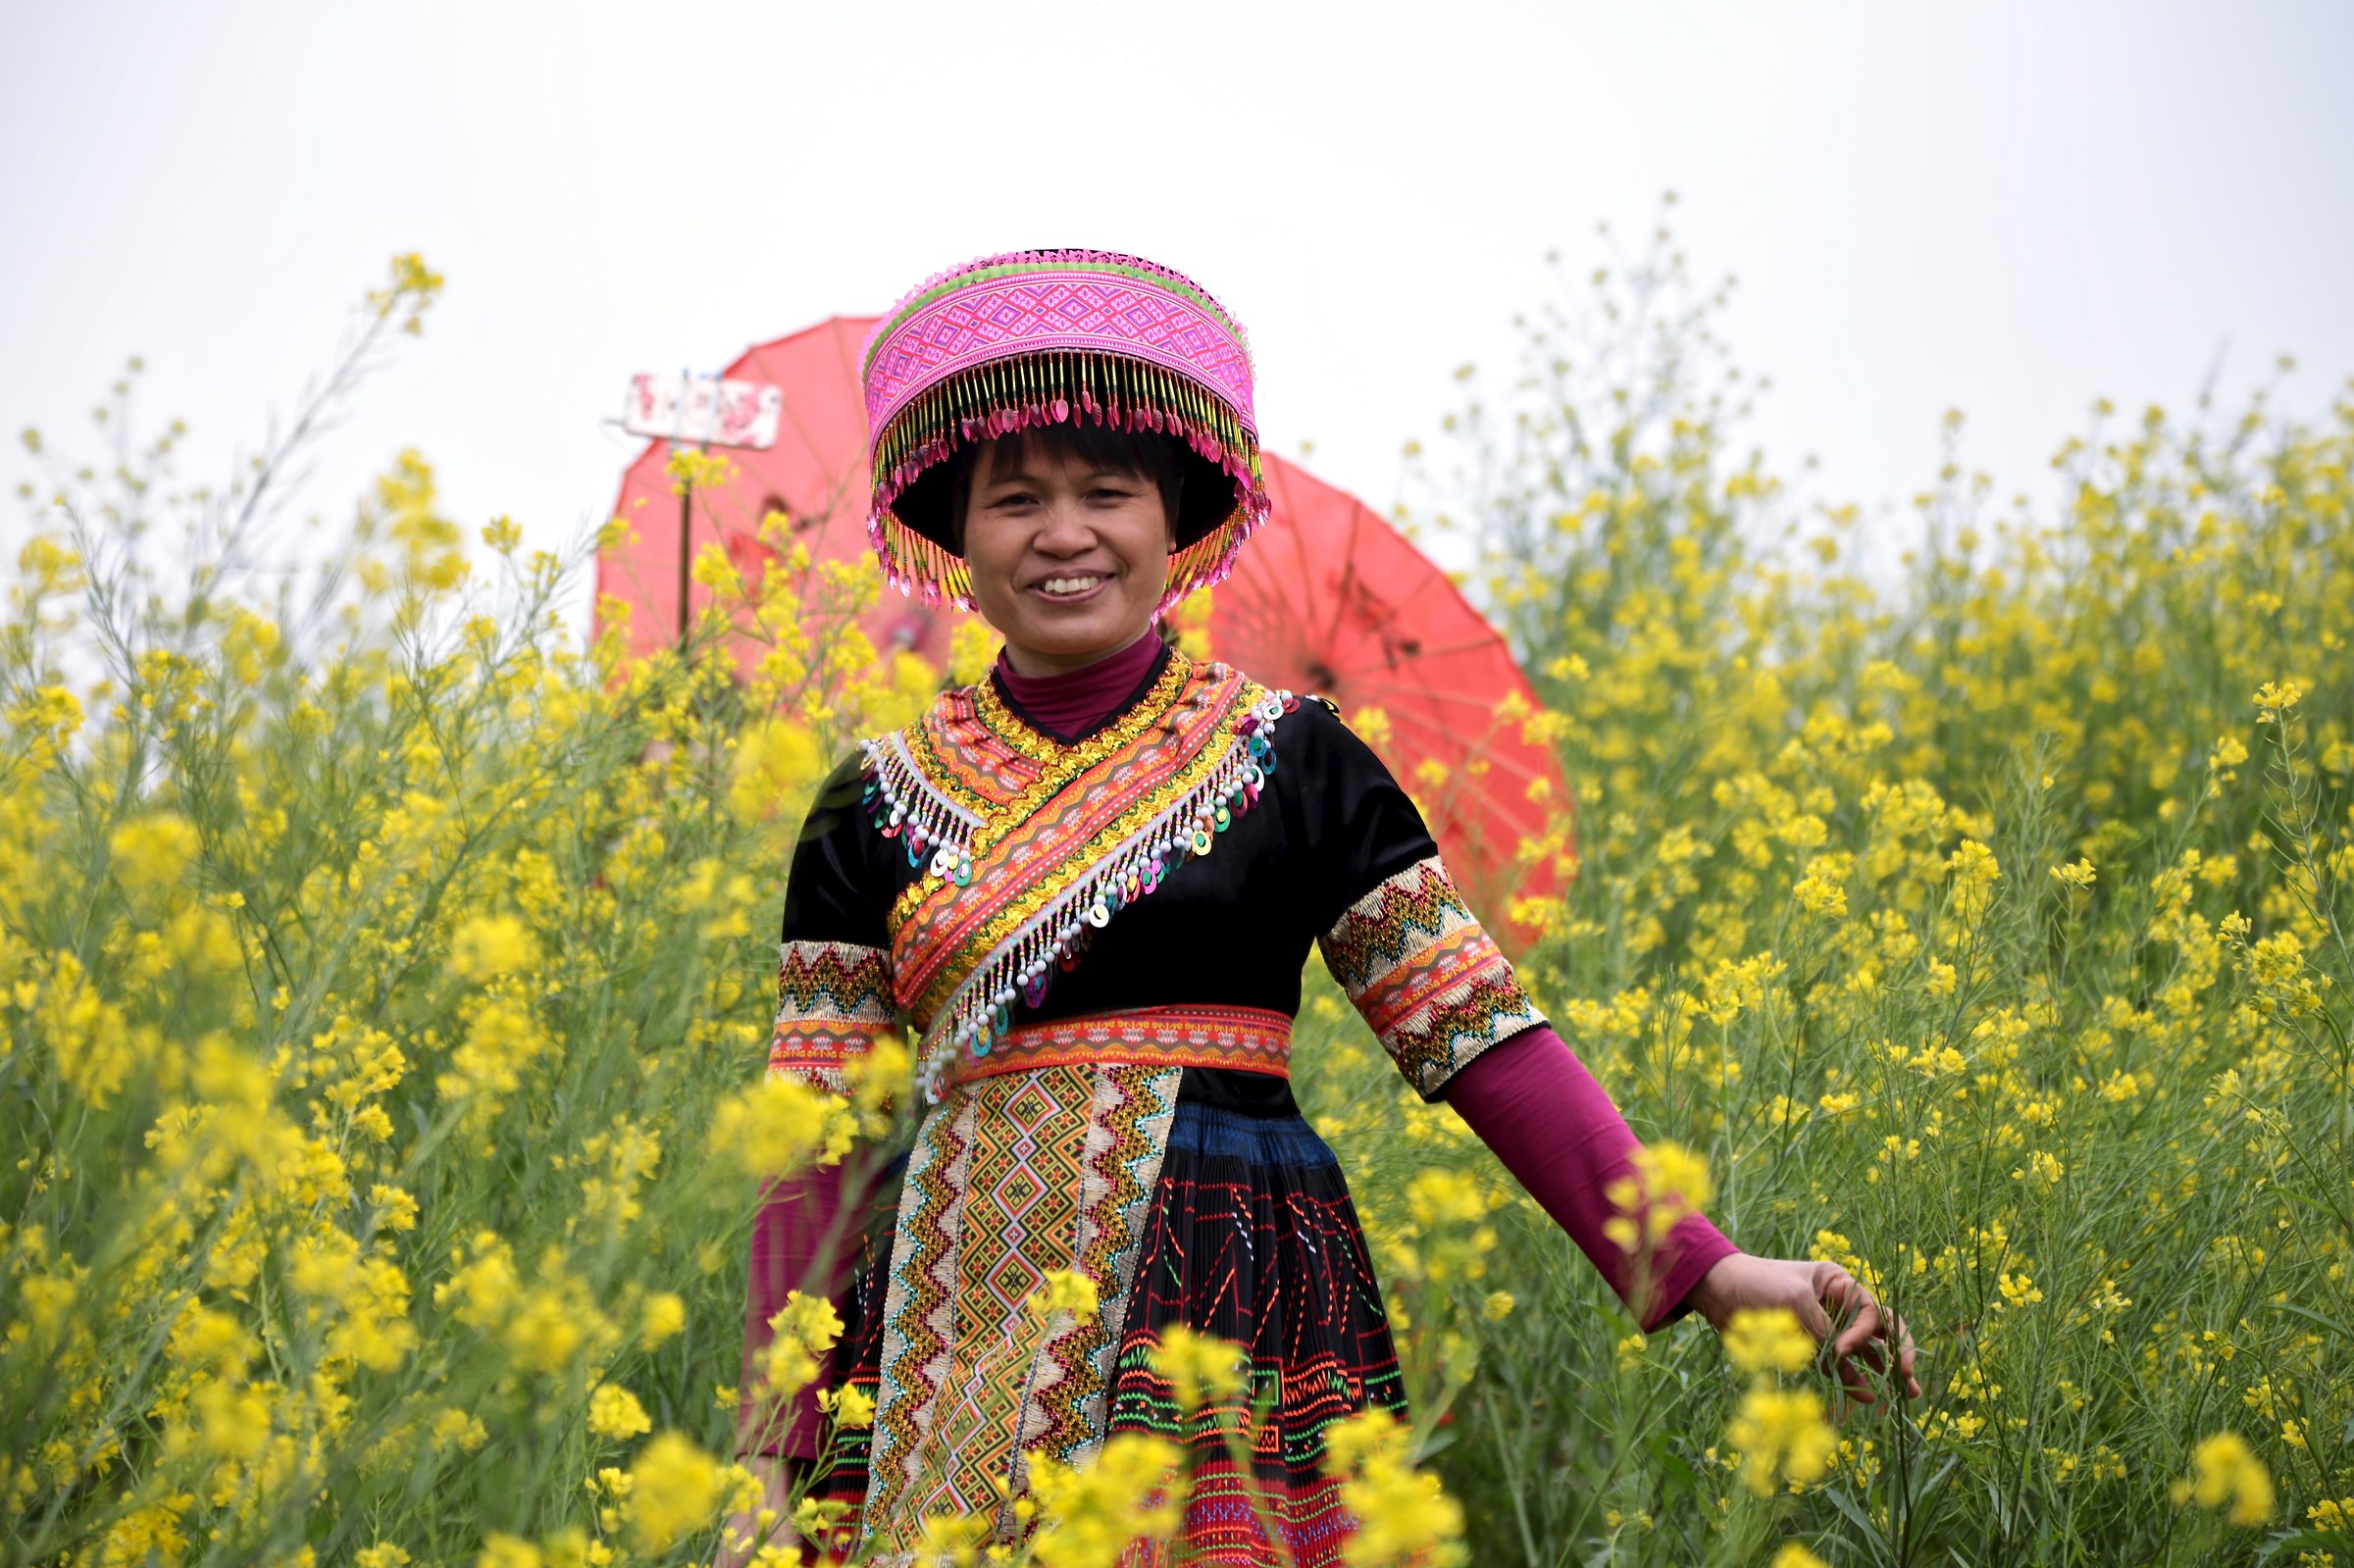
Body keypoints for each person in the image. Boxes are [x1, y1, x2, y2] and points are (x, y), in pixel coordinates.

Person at [728, 249, 1917, 1566]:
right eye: (1016, 500)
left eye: (1107, 493)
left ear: (1175, 523)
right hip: (953, 1333)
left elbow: (1479, 1036)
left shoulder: (1294, 759)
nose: (1063, 533)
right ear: (957, 538)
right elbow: (817, 1150)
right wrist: (770, 1456)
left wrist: (1704, 1267)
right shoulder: (868, 803)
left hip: (1231, 1315)